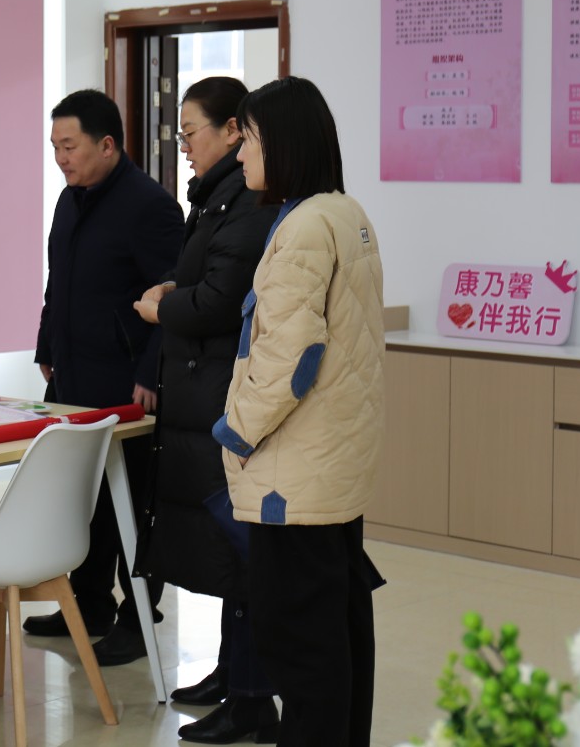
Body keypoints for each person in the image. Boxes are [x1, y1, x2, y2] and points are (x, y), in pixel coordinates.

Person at [212, 77, 385, 747]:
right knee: (338, 632)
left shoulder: (304, 228)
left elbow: (292, 357)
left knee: (300, 644)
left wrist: (236, 431)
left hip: (295, 473)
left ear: (283, 144)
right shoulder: (344, 212)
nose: (240, 154)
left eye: (249, 139)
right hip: (333, 461)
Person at [132, 77, 279, 743]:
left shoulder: (245, 203)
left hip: (224, 396)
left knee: (240, 549)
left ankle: (251, 698)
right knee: (225, 550)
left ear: (233, 131)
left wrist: (165, 307)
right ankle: (231, 674)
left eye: (191, 132)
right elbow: (207, 282)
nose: (184, 145)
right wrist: (176, 290)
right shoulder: (215, 196)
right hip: (202, 389)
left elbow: (221, 300)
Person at [24, 89, 184, 662]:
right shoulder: (71, 199)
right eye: (55, 147)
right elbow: (59, 281)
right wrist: (47, 344)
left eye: (70, 146)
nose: (60, 158)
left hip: (126, 385)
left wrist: (151, 370)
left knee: (134, 508)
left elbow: (174, 296)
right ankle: (87, 604)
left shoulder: (150, 206)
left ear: (108, 144)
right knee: (83, 502)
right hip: (74, 378)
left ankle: (137, 619)